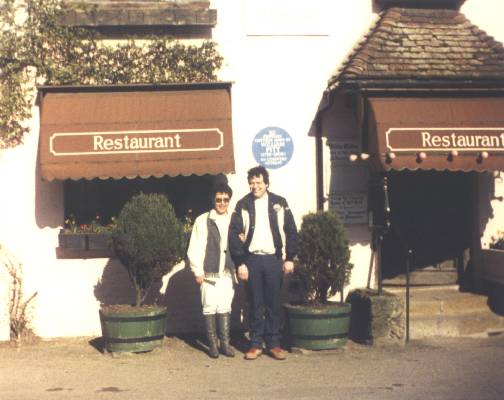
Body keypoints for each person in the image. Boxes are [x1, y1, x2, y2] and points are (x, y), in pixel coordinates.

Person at [229, 166, 299, 360]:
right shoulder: (243, 204)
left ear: (266, 183)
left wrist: (290, 257)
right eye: (252, 183)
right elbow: (234, 235)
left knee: (273, 303)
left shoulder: (279, 203)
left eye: (259, 182)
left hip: (273, 260)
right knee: (255, 303)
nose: (255, 186)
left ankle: (274, 344)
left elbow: (291, 230)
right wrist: (240, 262)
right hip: (251, 260)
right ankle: (256, 344)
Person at [187, 183, 236, 358]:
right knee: (209, 306)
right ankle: (212, 345)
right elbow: (196, 247)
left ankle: (225, 344)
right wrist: (197, 270)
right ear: (213, 200)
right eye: (218, 200)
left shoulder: (234, 219)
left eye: (225, 200)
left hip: (227, 272)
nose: (222, 203)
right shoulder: (203, 220)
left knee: (224, 306)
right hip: (209, 273)